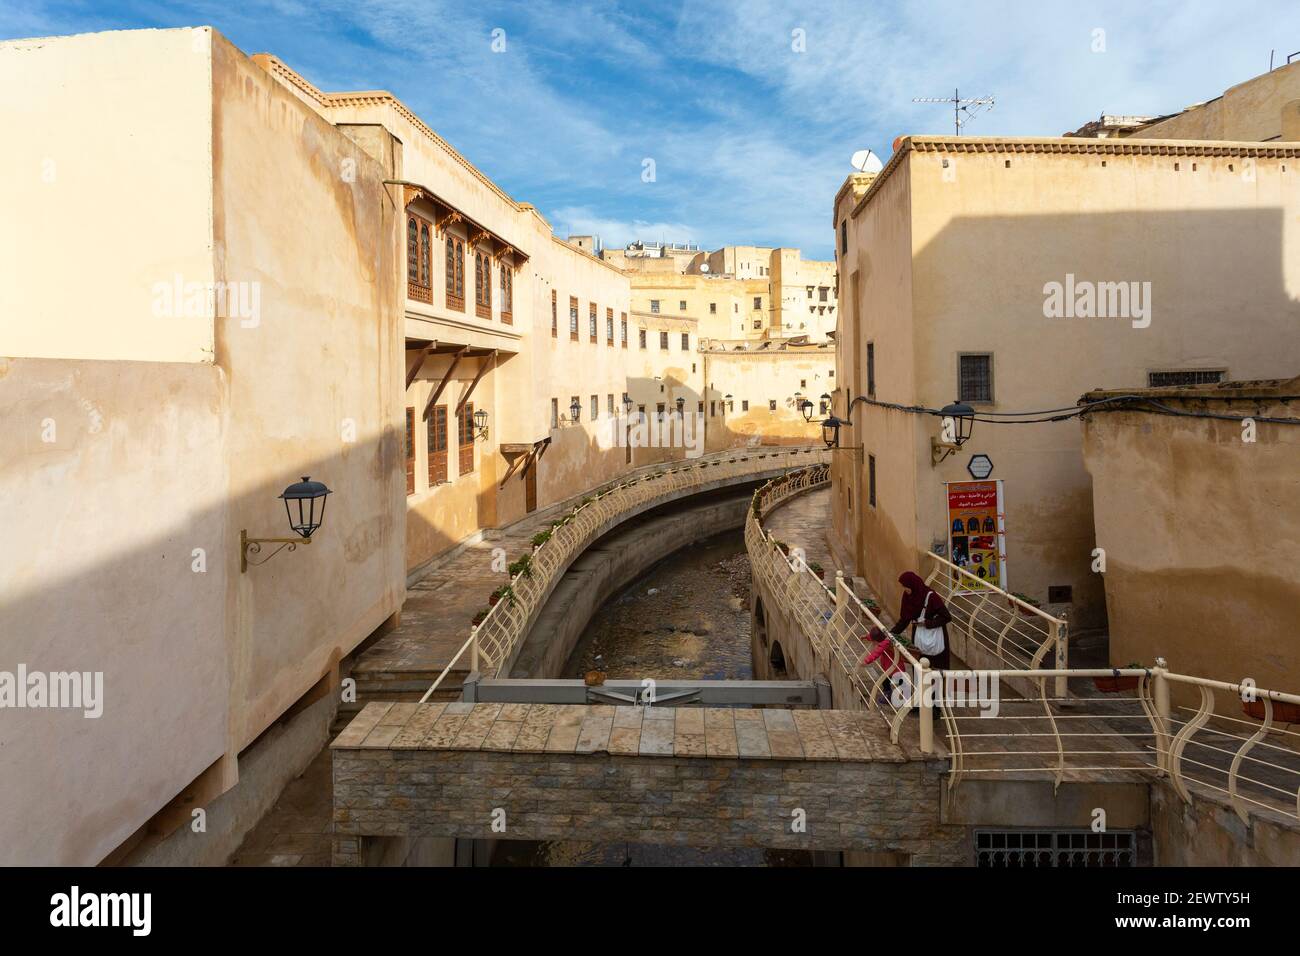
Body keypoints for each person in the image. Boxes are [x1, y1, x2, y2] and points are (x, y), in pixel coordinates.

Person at [890, 571, 952, 672]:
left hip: (935, 636)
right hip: (919, 636)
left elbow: (946, 617)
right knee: (920, 666)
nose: (905, 589)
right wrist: (891, 634)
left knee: (936, 670)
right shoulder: (908, 596)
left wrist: (927, 623)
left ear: (913, 585)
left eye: (906, 586)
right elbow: (905, 619)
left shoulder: (931, 596)